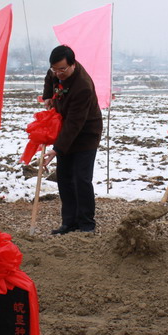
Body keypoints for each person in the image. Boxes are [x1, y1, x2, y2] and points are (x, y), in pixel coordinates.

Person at [41, 45, 103, 234]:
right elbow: (49, 77)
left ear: (73, 64)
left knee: (81, 178)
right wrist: (47, 96)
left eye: (62, 69)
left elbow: (75, 123)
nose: (58, 73)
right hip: (66, 129)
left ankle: (86, 224)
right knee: (64, 177)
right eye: (55, 69)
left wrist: (56, 149)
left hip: (86, 133)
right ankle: (69, 222)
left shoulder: (82, 86)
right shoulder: (56, 71)